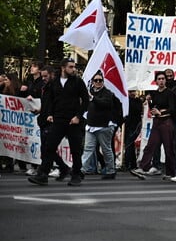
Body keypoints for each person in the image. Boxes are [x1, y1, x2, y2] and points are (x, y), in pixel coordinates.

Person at [28, 58, 89, 186]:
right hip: (58, 119)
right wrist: (50, 114)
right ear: (63, 67)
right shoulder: (54, 83)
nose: (73, 69)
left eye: (74, 67)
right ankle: (43, 174)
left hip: (73, 121)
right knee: (49, 147)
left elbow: (85, 100)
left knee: (75, 149)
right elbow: (50, 100)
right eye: (70, 67)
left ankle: (76, 174)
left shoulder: (78, 82)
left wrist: (78, 116)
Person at [131, 71, 176, 179]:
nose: (161, 81)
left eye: (163, 79)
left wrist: (160, 112)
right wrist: (150, 102)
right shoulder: (155, 93)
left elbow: (173, 109)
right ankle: (143, 167)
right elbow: (154, 107)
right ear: (156, 81)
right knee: (151, 145)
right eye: (159, 79)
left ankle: (172, 172)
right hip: (157, 123)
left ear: (165, 80)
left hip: (166, 122)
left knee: (168, 148)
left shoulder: (170, 93)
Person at [81, 71, 120, 180]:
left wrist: (93, 98)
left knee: (106, 149)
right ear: (92, 82)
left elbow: (105, 104)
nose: (98, 82)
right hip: (91, 125)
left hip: (104, 126)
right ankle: (81, 170)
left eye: (100, 80)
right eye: (96, 80)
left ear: (103, 82)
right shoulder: (90, 93)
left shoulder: (107, 93)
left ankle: (111, 170)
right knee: (88, 149)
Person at [123, 90, 143, 171]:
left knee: (129, 144)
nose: (132, 93)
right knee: (129, 145)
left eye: (133, 91)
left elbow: (137, 110)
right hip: (127, 125)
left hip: (135, 125)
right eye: (130, 91)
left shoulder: (137, 101)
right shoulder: (126, 100)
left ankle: (128, 163)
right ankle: (132, 163)